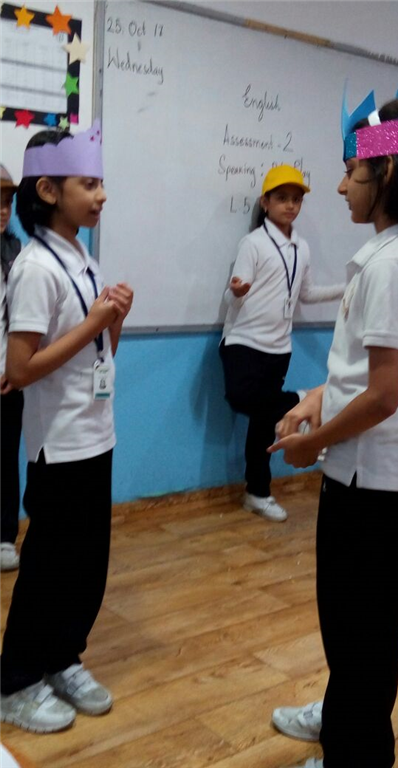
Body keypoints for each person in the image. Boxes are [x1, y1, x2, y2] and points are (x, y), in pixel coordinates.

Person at [269, 96, 398, 768]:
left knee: (358, 625)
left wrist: (313, 442)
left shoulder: (392, 265)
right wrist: (317, 395)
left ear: (386, 171)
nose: (340, 187)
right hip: (370, 471)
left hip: (367, 477)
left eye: (349, 171)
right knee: (354, 621)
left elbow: (384, 394)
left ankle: (357, 750)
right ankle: (344, 715)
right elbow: (368, 373)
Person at [0, 123, 133, 733]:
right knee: (50, 566)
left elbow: (98, 354)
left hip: (96, 433)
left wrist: (114, 320)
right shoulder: (35, 267)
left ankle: (62, 657)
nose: (101, 195)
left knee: (87, 564)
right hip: (58, 444)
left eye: (101, 182)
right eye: (89, 183)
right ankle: (15, 682)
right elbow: (20, 369)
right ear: (49, 190)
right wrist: (95, 322)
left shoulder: (81, 256)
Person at [220, 165, 344, 522]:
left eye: (296, 199)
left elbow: (306, 294)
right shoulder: (253, 243)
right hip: (244, 341)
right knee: (241, 399)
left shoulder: (300, 247)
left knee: (262, 421)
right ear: (266, 202)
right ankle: (302, 400)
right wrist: (237, 292)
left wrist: (347, 288)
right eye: (282, 198)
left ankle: (257, 493)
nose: (290, 205)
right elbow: (232, 297)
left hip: (279, 349)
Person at [0, 165, 23, 572]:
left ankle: (4, 537)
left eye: (7, 202)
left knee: (5, 458)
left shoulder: (17, 254)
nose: (3, 210)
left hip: (8, 379)